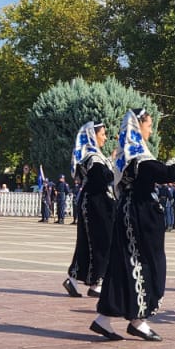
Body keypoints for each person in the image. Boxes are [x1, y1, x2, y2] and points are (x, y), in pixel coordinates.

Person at [91, 109, 175, 342]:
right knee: (145, 263)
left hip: (135, 214)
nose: (152, 129)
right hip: (138, 216)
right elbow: (163, 173)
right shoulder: (136, 155)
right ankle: (138, 320)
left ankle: (104, 319)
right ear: (138, 127)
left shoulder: (133, 154)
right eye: (149, 124)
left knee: (124, 265)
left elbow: (155, 173)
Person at [65, 121, 112, 298]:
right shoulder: (93, 158)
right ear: (94, 136)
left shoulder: (94, 156)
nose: (105, 138)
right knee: (100, 242)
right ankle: (95, 281)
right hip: (95, 203)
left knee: (90, 242)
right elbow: (102, 179)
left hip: (95, 202)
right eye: (103, 134)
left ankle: (78, 279)